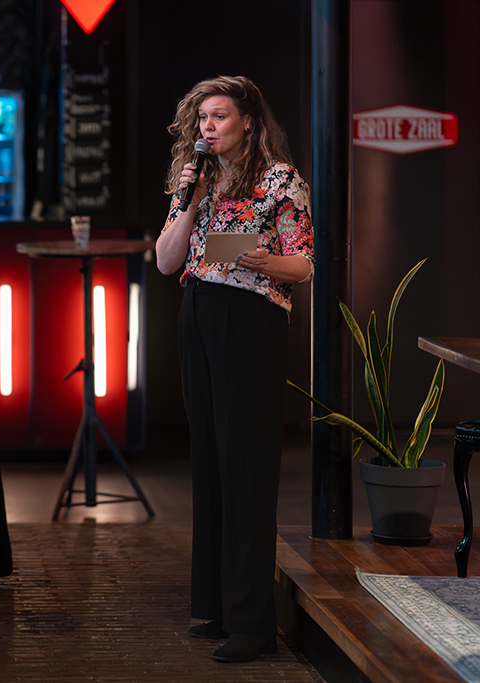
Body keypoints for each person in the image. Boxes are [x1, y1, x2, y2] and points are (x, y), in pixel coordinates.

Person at [155, 76, 314, 663]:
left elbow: (302, 266)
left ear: (248, 120)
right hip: (198, 315)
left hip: (250, 321)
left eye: (218, 117)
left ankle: (255, 623)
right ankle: (219, 605)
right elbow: (169, 262)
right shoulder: (195, 181)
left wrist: (265, 258)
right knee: (212, 463)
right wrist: (190, 199)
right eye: (201, 120)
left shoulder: (280, 180)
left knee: (246, 465)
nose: (207, 128)